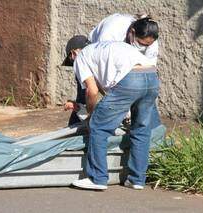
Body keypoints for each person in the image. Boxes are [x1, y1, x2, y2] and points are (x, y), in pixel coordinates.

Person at [62, 36, 160, 190]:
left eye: (71, 60)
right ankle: (136, 180)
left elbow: (92, 91)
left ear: (73, 53)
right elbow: (108, 91)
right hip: (152, 76)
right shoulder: (103, 49)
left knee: (98, 127)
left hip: (130, 77)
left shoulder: (81, 57)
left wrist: (91, 116)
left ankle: (97, 178)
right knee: (141, 129)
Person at [64, 13, 161, 128]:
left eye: (146, 45)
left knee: (145, 95)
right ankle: (77, 132)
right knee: (87, 95)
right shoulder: (111, 32)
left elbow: (148, 76)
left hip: (126, 66)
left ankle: (156, 134)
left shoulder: (151, 43)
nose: (143, 47)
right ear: (132, 32)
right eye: (141, 43)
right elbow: (102, 82)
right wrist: (89, 114)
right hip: (101, 57)